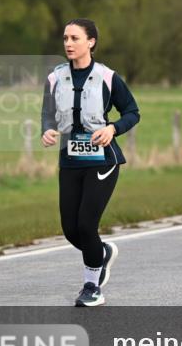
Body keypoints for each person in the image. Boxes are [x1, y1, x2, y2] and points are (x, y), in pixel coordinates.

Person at [41, 19, 140, 307]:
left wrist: (112, 129)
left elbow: (132, 112)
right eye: (65, 39)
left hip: (102, 160)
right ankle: (102, 253)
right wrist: (47, 129)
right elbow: (47, 113)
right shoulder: (55, 77)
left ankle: (91, 285)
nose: (68, 44)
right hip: (70, 160)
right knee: (70, 229)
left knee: (86, 224)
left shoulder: (108, 77)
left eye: (75, 38)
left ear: (91, 42)